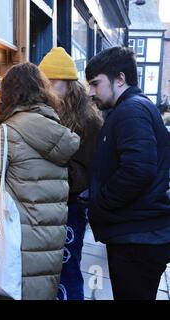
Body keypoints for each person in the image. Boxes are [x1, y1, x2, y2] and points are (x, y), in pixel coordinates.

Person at [0, 62, 81, 300]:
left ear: (7, 95)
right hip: (49, 244)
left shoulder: (6, 132)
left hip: (17, 245)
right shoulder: (56, 128)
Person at [85, 46, 170, 300]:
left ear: (120, 79)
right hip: (139, 235)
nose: (90, 92)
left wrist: (102, 202)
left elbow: (138, 169)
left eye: (95, 84)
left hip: (138, 240)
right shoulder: (133, 108)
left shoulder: (131, 110)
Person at [39, 47, 103, 300]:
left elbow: (89, 173)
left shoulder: (89, 120)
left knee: (68, 268)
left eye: (54, 82)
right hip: (46, 205)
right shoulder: (44, 111)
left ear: (70, 84)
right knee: (47, 270)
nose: (49, 88)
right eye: (45, 83)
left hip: (72, 207)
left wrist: (53, 166)